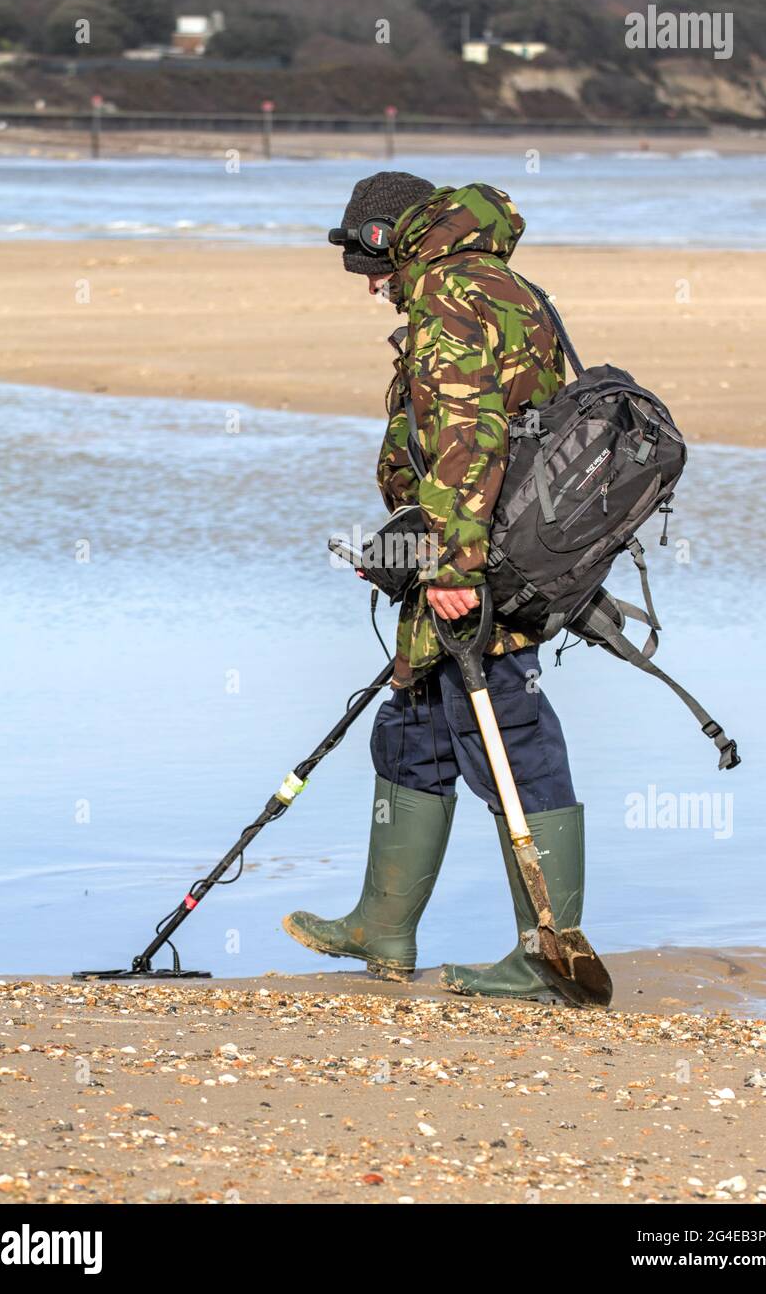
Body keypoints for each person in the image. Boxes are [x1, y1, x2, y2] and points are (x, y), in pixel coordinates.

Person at [283, 172, 583, 999]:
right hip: (477, 542)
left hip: (476, 559)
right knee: (414, 720)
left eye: (367, 267)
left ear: (387, 238)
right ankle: (383, 926)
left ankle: (549, 955)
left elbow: (466, 437)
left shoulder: (450, 294)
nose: (372, 289)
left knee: (506, 731)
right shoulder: (504, 285)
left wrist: (452, 567)